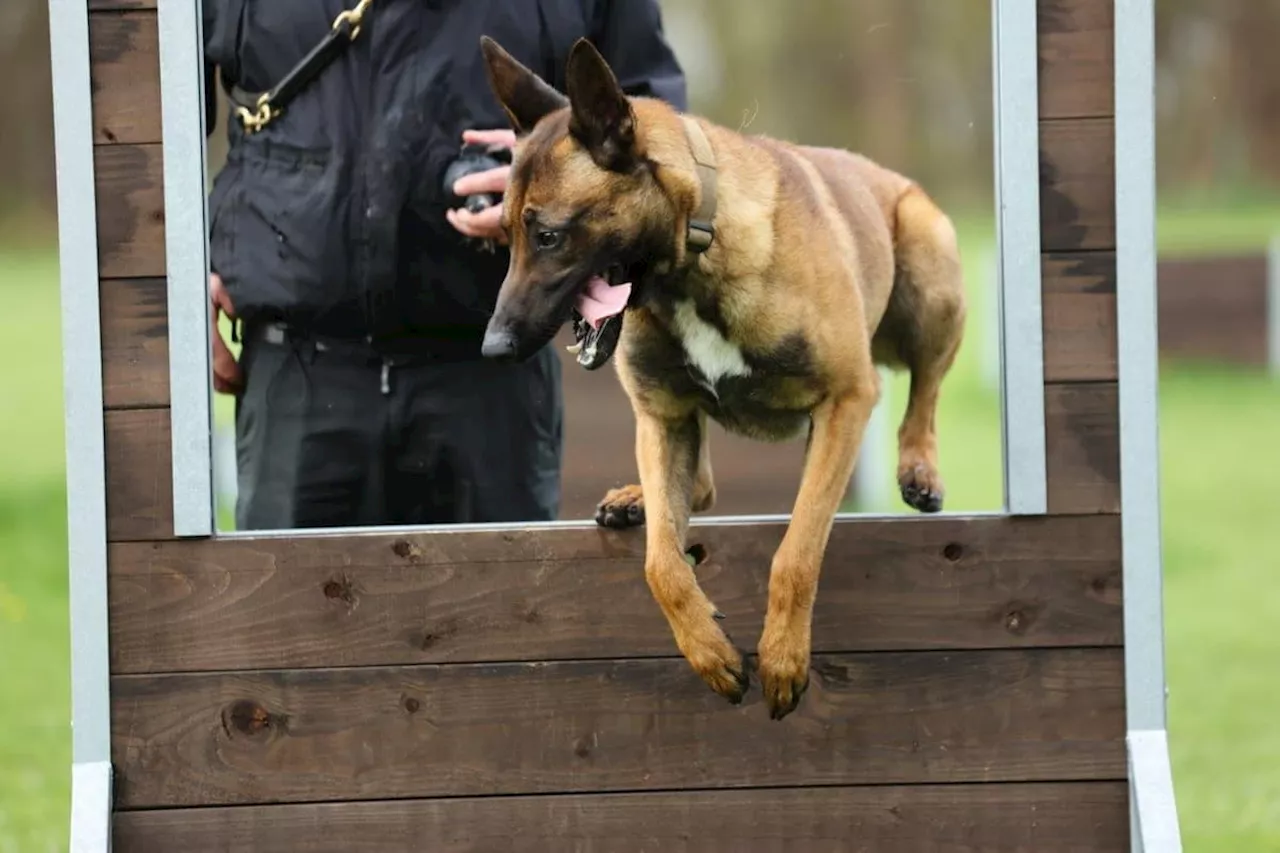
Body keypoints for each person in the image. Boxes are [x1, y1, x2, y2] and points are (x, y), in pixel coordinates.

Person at [201, 0, 687, 530]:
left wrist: (553, 181)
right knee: (278, 613)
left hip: (493, 379)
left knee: (500, 610)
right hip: (292, 371)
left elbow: (657, 137)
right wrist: (172, 288)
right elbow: (141, 119)